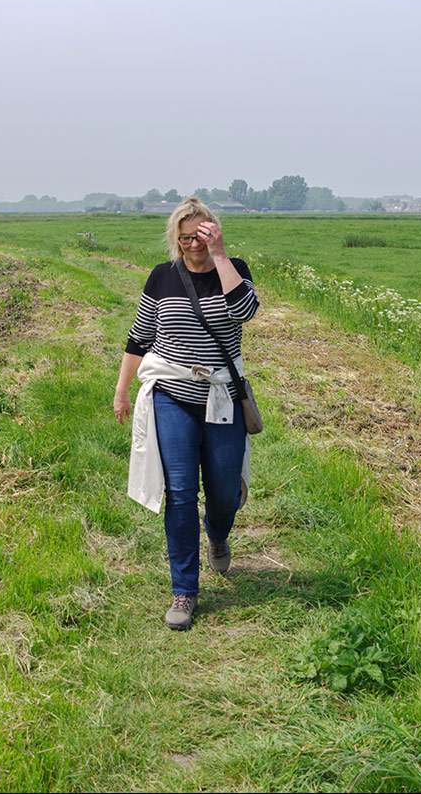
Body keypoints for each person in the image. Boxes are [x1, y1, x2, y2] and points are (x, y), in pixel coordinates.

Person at [114, 197, 259, 631]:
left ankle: (217, 533)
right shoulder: (161, 277)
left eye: (203, 235)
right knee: (179, 493)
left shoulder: (235, 269)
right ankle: (184, 591)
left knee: (224, 492)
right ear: (175, 238)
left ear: (214, 233)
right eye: (186, 237)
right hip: (172, 397)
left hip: (221, 400)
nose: (194, 244)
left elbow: (246, 312)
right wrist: (122, 389)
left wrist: (220, 256)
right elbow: (140, 337)